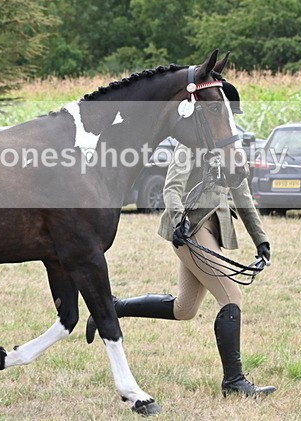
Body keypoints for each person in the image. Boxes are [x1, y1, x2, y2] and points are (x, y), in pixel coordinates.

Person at [86, 80, 276, 398]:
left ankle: (115, 307)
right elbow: (171, 189)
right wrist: (179, 222)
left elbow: (242, 196)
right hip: (190, 229)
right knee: (231, 298)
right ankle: (234, 382)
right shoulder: (191, 143)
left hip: (214, 231)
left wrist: (261, 241)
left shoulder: (231, 147)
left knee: (184, 308)